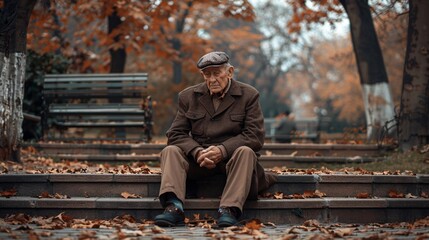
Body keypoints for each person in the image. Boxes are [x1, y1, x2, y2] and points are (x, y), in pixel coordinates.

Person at [154, 51, 277, 228]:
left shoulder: (249, 95)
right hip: (200, 163)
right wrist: (197, 152)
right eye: (207, 74)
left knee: (246, 151)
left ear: (230, 72)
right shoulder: (188, 96)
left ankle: (229, 209)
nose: (212, 79)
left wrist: (222, 150)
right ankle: (174, 206)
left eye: (217, 73)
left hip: (234, 163)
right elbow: (175, 134)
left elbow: (254, 136)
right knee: (170, 150)